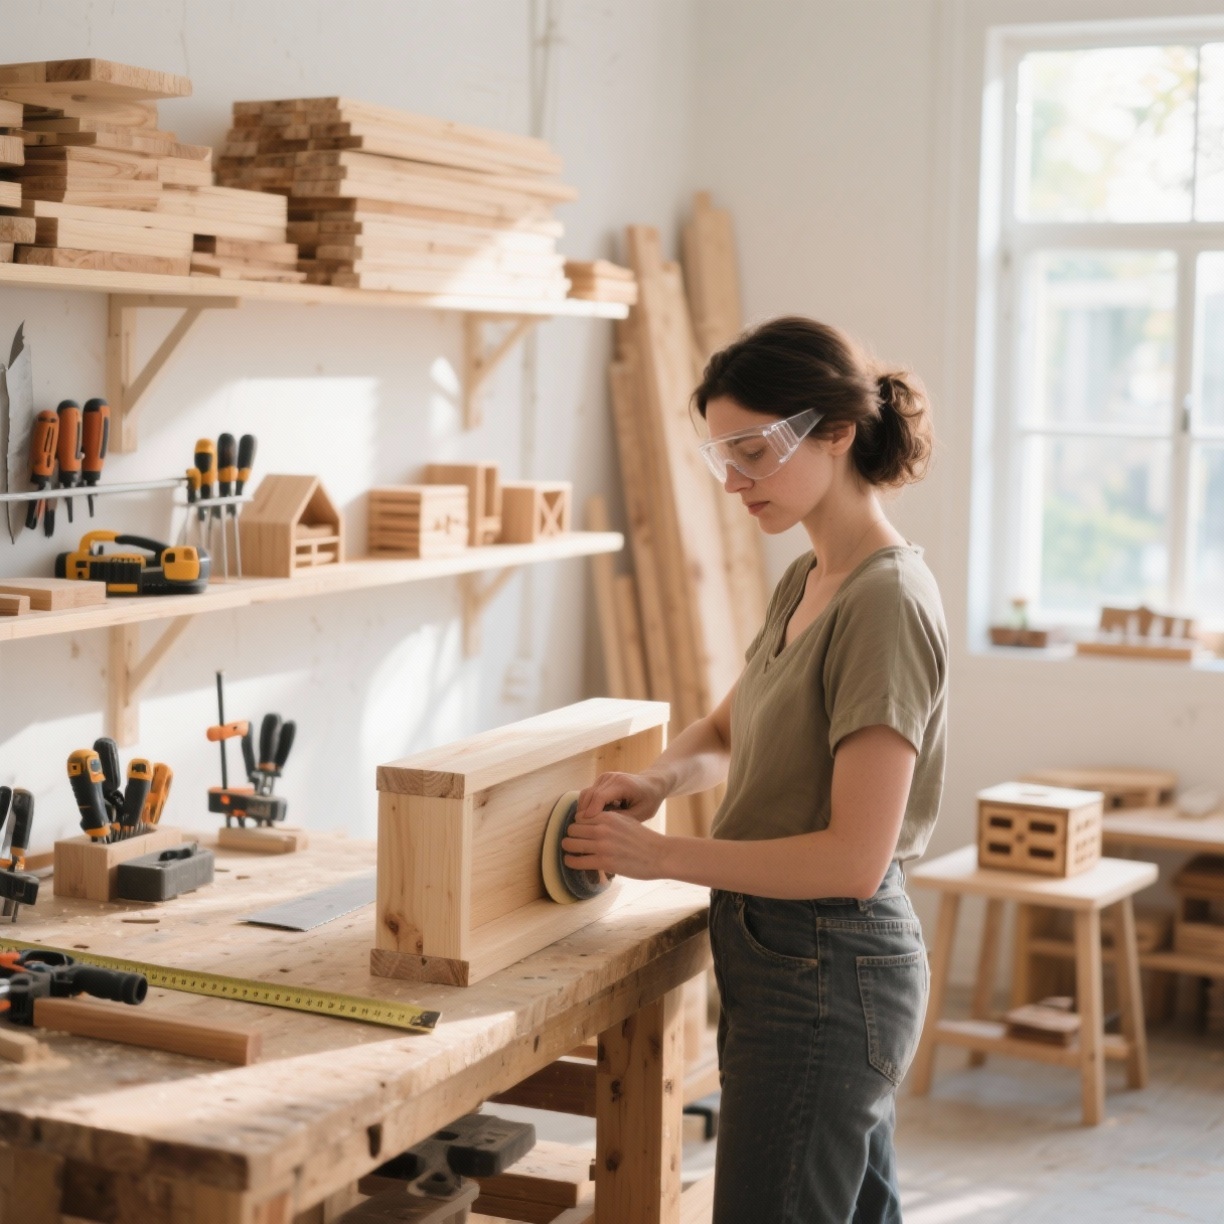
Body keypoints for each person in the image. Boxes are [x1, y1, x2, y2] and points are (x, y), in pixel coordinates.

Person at [563, 316, 947, 1223]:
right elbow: (724, 729)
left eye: (754, 451)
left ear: (839, 431)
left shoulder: (885, 602)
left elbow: (852, 860)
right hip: (787, 959)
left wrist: (660, 858)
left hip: (830, 967)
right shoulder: (810, 578)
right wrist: (657, 783)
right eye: (719, 456)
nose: (734, 481)